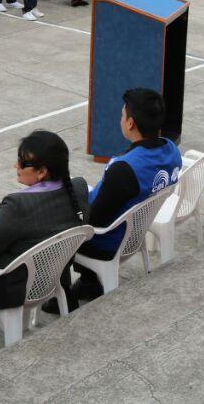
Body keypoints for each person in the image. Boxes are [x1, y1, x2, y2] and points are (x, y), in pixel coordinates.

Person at [60, 88, 181, 307]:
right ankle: (89, 281)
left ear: (131, 123)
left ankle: (63, 294)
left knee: (54, 220)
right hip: (136, 229)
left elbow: (94, 220)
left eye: (122, 115)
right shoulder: (171, 150)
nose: (121, 119)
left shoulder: (125, 169)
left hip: (110, 241)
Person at [0, 131, 89, 310]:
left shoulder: (16, 206)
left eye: (22, 163)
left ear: (42, 171)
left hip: (13, 290)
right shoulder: (79, 188)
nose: (16, 166)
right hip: (54, 276)